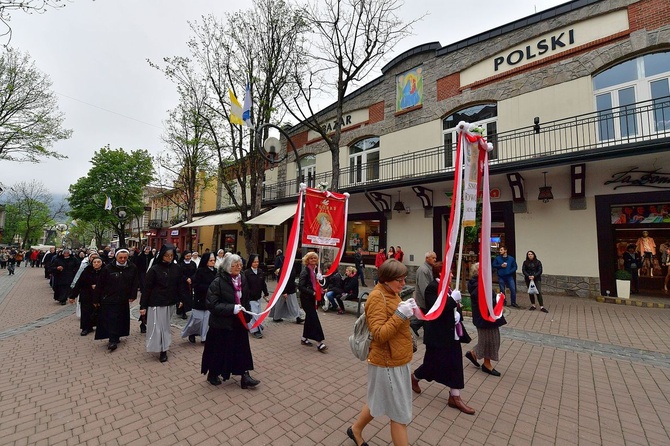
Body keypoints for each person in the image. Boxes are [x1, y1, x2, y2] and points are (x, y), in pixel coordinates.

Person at [348, 258, 415, 446]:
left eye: (404, 279)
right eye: (399, 280)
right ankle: (356, 430)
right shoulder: (378, 296)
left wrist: (411, 312)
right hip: (387, 361)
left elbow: (396, 321)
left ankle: (355, 429)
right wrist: (401, 314)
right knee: (400, 415)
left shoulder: (391, 292)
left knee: (377, 400)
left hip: (397, 358)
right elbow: (379, 334)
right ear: (386, 279)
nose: (403, 284)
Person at [411, 262, 475, 414]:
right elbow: (436, 309)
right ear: (441, 273)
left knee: (456, 363)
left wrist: (457, 310)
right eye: (450, 272)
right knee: (432, 363)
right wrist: (453, 300)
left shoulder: (448, 288)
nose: (452, 274)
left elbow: (451, 308)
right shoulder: (432, 288)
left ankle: (455, 396)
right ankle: (415, 377)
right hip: (437, 335)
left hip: (451, 333)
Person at [201, 254, 260, 389]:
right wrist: (231, 308)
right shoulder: (218, 282)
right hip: (221, 324)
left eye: (240, 264)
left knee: (242, 348)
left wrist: (247, 314)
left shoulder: (242, 278)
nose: (239, 267)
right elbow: (211, 304)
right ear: (228, 266)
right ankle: (213, 373)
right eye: (235, 265)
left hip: (239, 322)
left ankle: (245, 376)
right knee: (219, 350)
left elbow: (245, 298)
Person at [140, 244, 188, 362]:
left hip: (170, 301)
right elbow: (147, 289)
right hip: (156, 302)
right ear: (162, 255)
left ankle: (164, 346)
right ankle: (162, 349)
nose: (169, 258)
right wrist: (143, 305)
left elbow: (180, 285)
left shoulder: (176, 268)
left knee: (165, 326)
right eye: (167, 255)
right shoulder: (154, 269)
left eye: (171, 255)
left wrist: (181, 299)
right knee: (159, 327)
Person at [465, 262, 507, 377]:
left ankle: (473, 354)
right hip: (484, 317)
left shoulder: (483, 282)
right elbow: (482, 300)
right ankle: (486, 364)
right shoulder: (477, 284)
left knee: (491, 339)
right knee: (489, 341)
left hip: (489, 316)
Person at [95, 249, 140, 351]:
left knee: (120, 318)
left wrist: (133, 295)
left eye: (125, 257)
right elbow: (100, 284)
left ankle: (117, 335)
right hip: (110, 297)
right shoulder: (108, 268)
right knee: (111, 318)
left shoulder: (132, 267)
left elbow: (135, 282)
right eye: (120, 257)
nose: (123, 260)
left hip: (123, 298)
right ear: (116, 257)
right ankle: (112, 339)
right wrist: (96, 299)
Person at [182, 252, 216, 343]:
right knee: (197, 319)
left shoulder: (216, 271)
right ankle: (192, 333)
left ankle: (204, 337)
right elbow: (196, 285)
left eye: (214, 260)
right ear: (206, 261)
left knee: (207, 320)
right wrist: (209, 288)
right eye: (211, 260)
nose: (213, 262)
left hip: (211, 299)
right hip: (200, 298)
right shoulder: (200, 271)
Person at [297, 252, 328, 352]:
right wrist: (312, 293)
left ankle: (304, 338)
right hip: (306, 298)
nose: (313, 260)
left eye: (315, 258)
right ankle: (319, 342)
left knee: (310, 318)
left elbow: (319, 284)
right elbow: (300, 286)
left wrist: (320, 280)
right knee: (314, 318)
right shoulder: (305, 271)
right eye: (311, 258)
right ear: (307, 260)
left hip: (313, 298)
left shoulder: (316, 270)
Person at [69, 254, 103, 336]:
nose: (96, 264)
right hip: (86, 294)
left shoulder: (105, 271)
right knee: (86, 312)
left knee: (100, 311)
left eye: (98, 262)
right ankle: (86, 328)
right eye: (94, 262)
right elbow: (79, 283)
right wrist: (72, 296)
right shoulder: (86, 270)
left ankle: (100, 326)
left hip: (100, 295)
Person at [411, 251, 436, 337]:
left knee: (425, 316)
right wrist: (429, 298)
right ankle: (415, 325)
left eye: (435, 258)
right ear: (427, 258)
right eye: (433, 258)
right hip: (424, 298)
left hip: (426, 298)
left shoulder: (429, 268)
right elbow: (424, 287)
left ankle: (415, 325)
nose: (435, 260)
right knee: (426, 316)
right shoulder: (423, 270)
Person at [244, 254, 269, 339]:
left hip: (258, 297)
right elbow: (245, 286)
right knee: (253, 314)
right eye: (254, 262)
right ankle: (255, 330)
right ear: (251, 262)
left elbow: (263, 284)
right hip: (250, 298)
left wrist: (266, 294)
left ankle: (257, 326)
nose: (256, 263)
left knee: (258, 313)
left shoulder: (260, 272)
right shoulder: (246, 273)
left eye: (257, 262)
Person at [177, 250, 197, 320]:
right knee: (182, 296)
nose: (188, 257)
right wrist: (186, 279)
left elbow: (195, 272)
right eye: (187, 256)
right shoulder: (180, 264)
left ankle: (187, 309)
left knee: (189, 296)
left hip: (190, 283)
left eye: (189, 256)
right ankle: (182, 311)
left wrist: (191, 278)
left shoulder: (193, 264)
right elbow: (179, 273)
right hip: (182, 283)